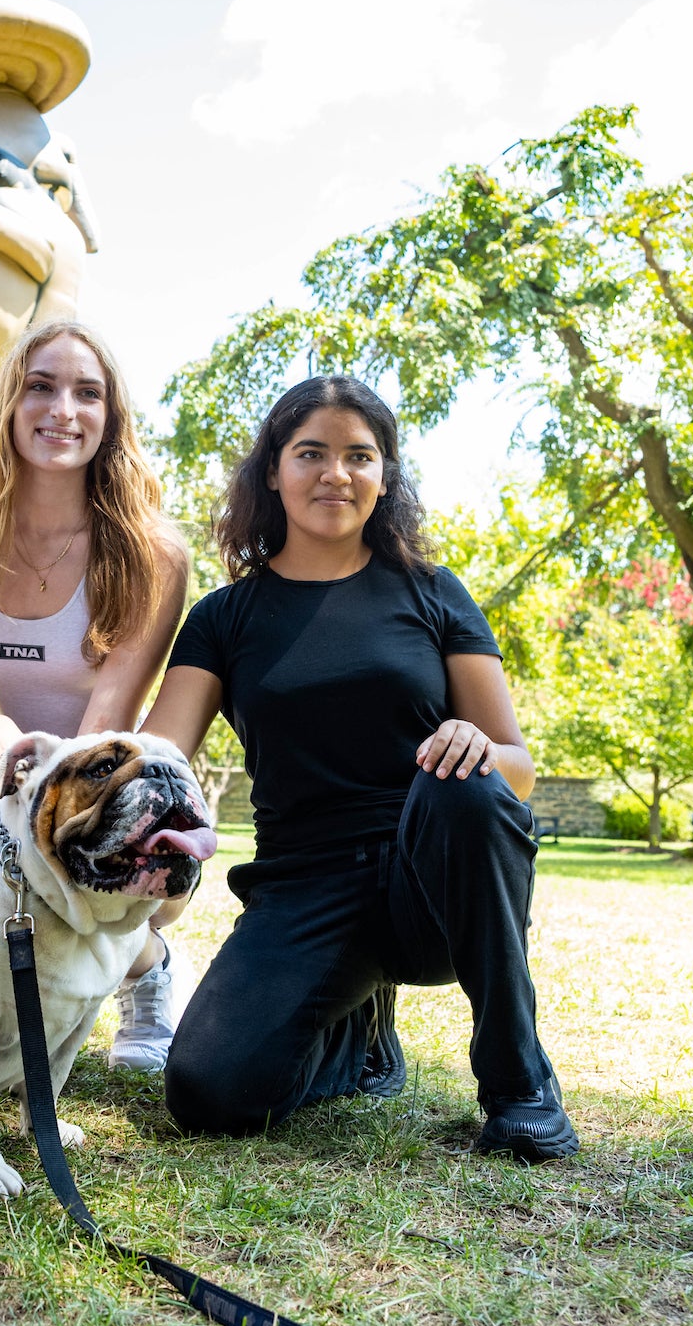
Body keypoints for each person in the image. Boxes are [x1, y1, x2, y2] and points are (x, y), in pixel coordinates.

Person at [139, 376, 577, 1159]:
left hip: (434, 886)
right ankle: (360, 1040)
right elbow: (159, 758)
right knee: (207, 1094)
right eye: (311, 453)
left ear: (384, 475)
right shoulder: (224, 618)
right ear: (272, 471)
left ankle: (519, 1085)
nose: (334, 474)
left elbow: (519, 767)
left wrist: (478, 748)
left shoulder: (434, 595)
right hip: (303, 890)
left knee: (470, 782)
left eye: (358, 456)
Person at [0, 321, 190, 1070]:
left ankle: (148, 966)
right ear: (9, 405)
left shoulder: (152, 553)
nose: (61, 409)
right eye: (40, 386)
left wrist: (37, 789)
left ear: (110, 420)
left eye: (87, 393)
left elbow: (109, 724)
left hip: (101, 795)